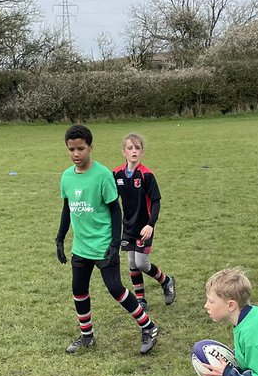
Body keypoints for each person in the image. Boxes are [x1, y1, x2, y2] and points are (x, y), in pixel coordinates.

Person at [56, 124, 159, 355]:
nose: (76, 154)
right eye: (71, 149)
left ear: (90, 147)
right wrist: (60, 239)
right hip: (80, 247)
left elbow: (115, 211)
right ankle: (86, 336)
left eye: (80, 148)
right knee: (78, 290)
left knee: (116, 289)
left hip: (103, 245)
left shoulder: (103, 175)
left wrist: (114, 243)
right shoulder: (66, 177)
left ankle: (149, 327)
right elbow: (67, 208)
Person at [113, 132, 176, 309]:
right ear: (123, 152)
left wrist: (151, 224)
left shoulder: (147, 175)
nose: (134, 151)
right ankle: (141, 299)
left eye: (137, 148)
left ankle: (166, 281)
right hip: (128, 226)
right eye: (130, 148)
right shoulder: (116, 174)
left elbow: (156, 201)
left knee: (141, 263)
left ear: (142, 152)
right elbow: (111, 199)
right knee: (132, 263)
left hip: (144, 227)